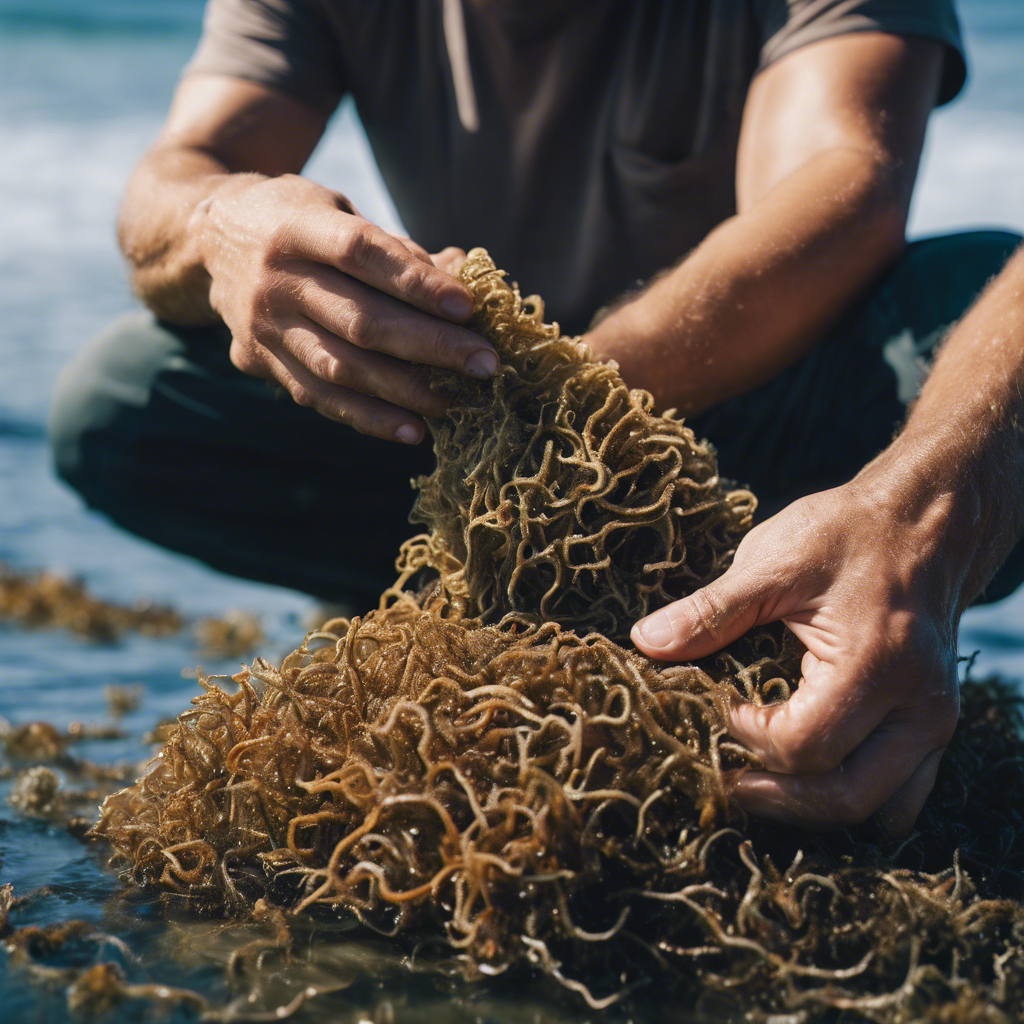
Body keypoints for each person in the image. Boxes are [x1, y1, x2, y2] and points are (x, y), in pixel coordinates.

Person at [48, 0, 1022, 834]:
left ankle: (857, 587)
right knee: (126, 401)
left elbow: (843, 180)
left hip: (783, 421)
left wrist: (567, 400)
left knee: (975, 315)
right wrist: (224, 222)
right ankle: (465, 581)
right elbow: (180, 169)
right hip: (471, 430)